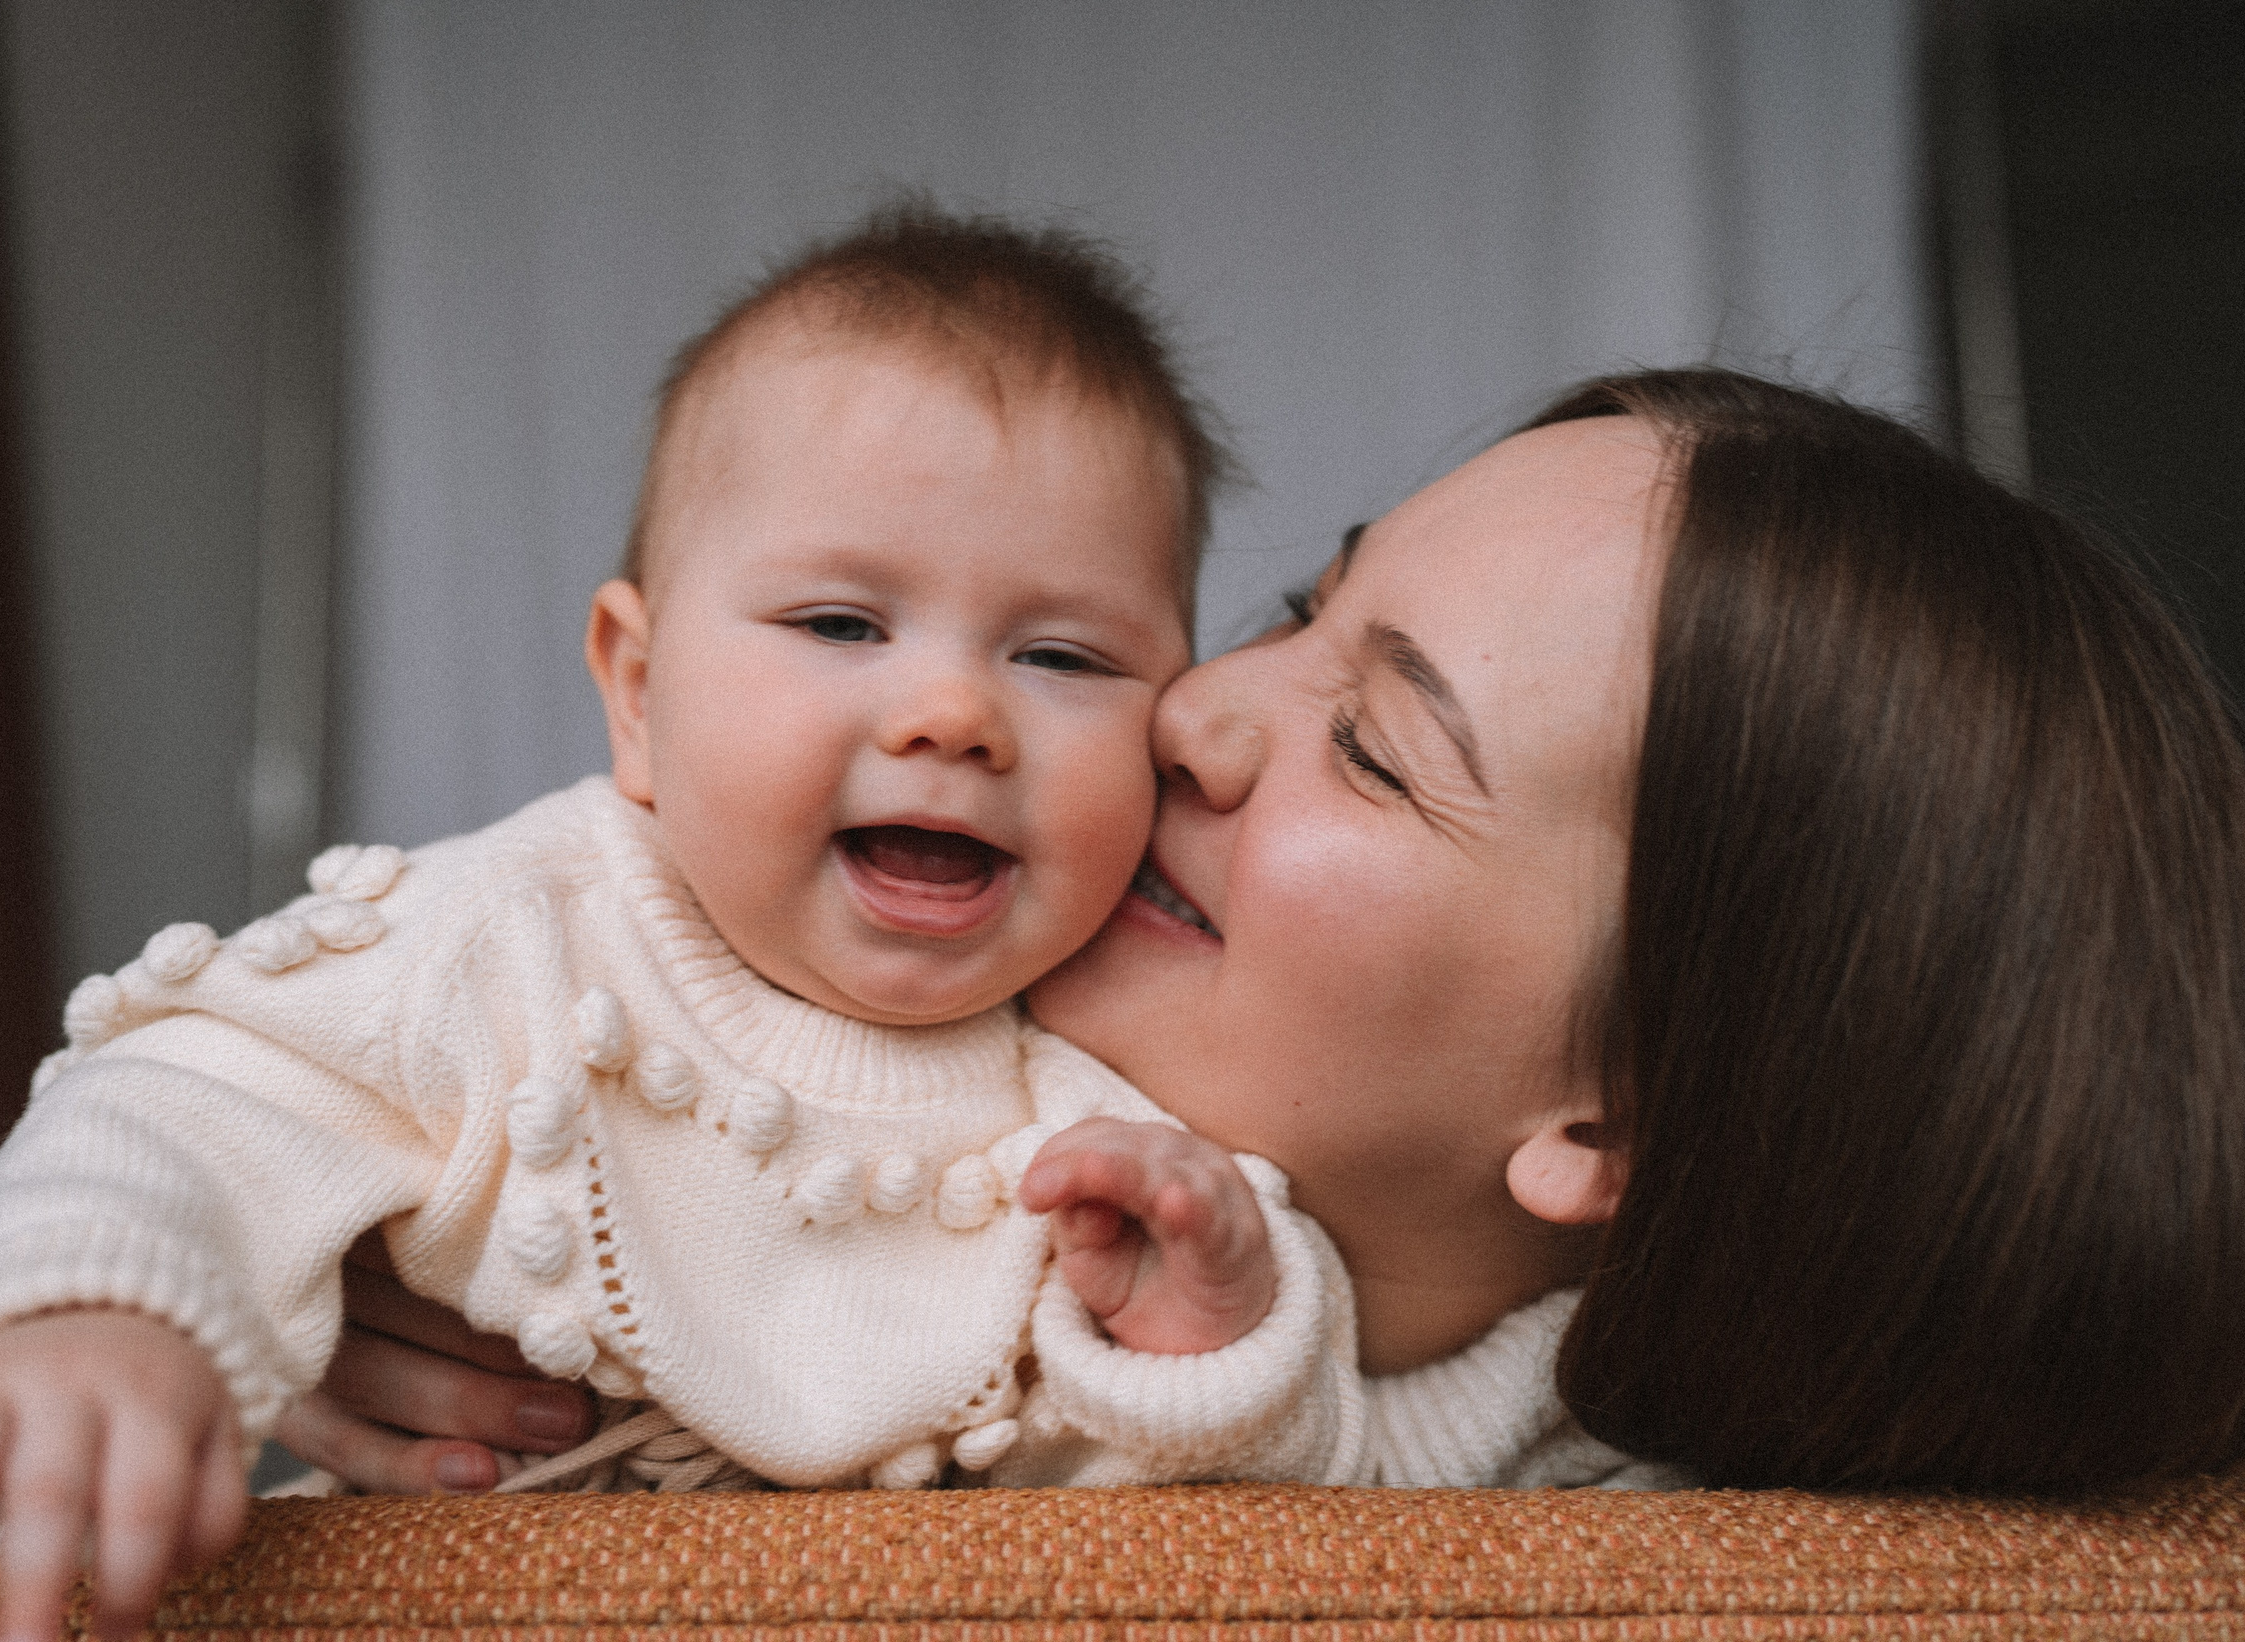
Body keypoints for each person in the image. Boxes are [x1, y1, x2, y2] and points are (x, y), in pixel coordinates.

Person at [0, 205, 1434, 1642]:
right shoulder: (512, 946)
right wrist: (106, 1311)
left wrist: (1204, 1352)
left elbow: (1192, 1538)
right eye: (843, 623)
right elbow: (195, 1098)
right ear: (637, 690)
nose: (951, 712)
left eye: (1065, 657)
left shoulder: (1113, 1097)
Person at [297, 367, 2245, 1507]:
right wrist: (339, 1239)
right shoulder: (671, 999)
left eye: (1378, 751)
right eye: (1302, 600)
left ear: (1616, 1119)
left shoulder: (1624, 1580)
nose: (1189, 709)